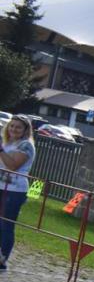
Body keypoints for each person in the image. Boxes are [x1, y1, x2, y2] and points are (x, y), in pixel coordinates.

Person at [0, 114, 37, 272]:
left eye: (18, 127)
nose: (14, 129)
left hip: (14, 190)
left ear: (25, 130)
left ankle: (2, 260)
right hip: (1, 186)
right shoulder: (8, 143)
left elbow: (12, 165)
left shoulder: (25, 145)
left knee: (6, 225)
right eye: (12, 125)